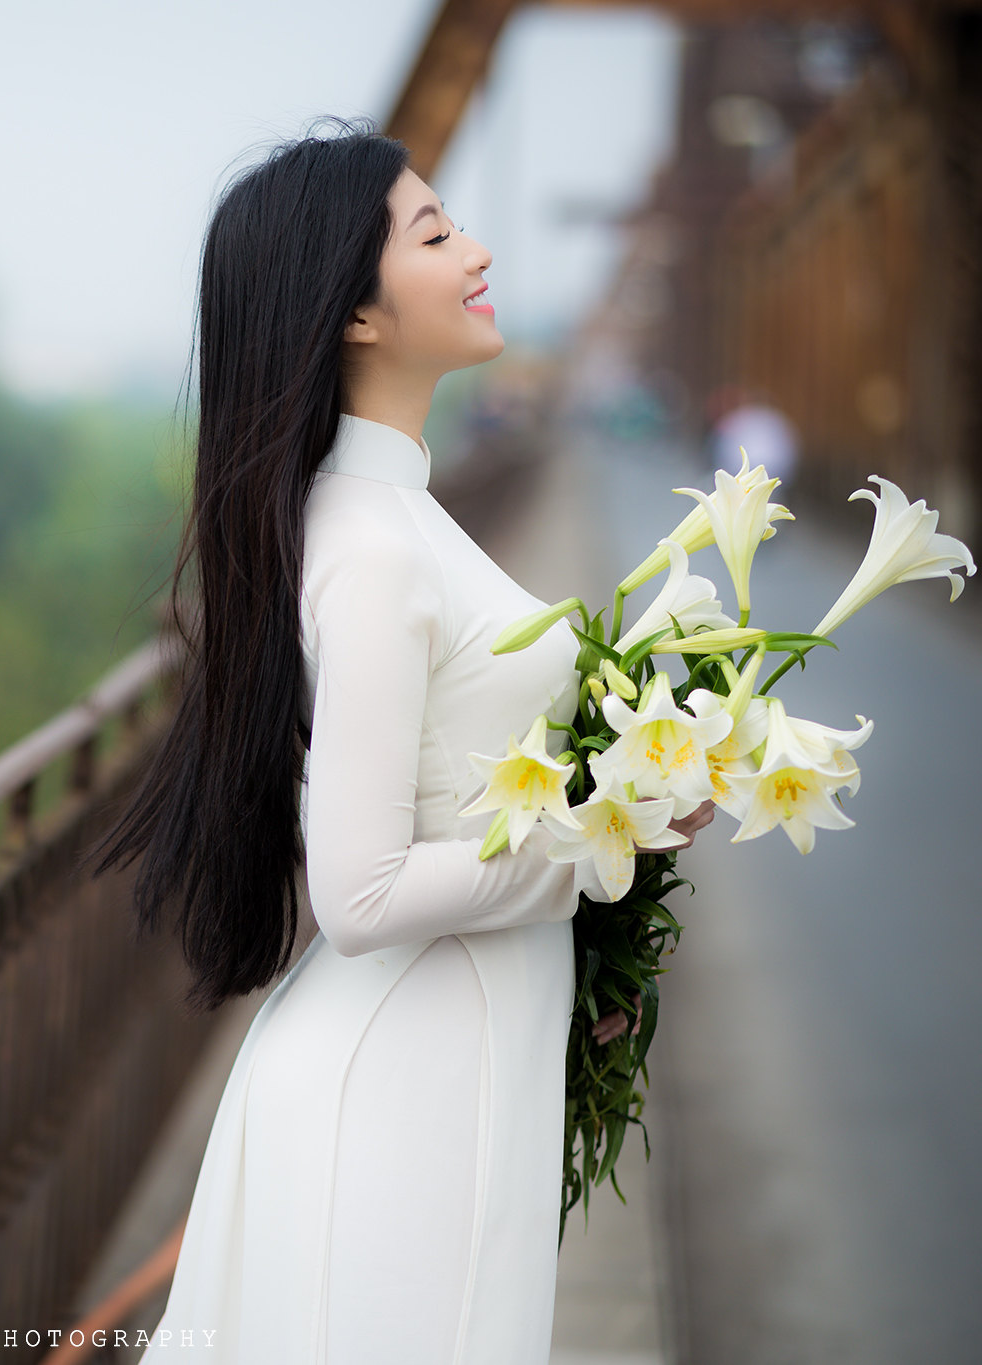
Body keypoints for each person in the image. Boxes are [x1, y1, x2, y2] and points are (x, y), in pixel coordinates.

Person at [90, 120, 713, 1363]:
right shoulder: (371, 545)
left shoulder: (397, 509)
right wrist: (606, 844)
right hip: (394, 1102)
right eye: (434, 233)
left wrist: (579, 931)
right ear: (355, 316)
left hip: (452, 1072)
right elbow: (363, 889)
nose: (477, 251)